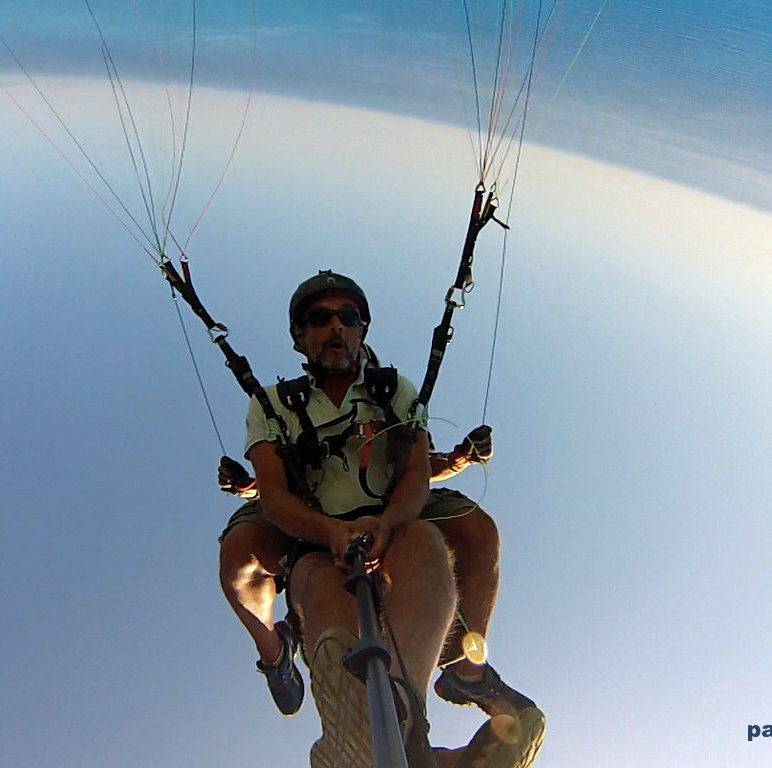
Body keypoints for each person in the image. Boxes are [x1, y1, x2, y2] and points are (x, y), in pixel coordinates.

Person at [225, 271, 544, 768]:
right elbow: (272, 493)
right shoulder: (271, 405)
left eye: (347, 317)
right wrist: (327, 530)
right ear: (299, 338)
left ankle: (426, 691)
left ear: (362, 328)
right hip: (313, 526)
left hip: (391, 515)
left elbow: (417, 471)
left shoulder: (393, 389)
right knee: (297, 572)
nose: (336, 327)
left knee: (444, 536)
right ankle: (278, 655)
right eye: (319, 318)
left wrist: (391, 520)